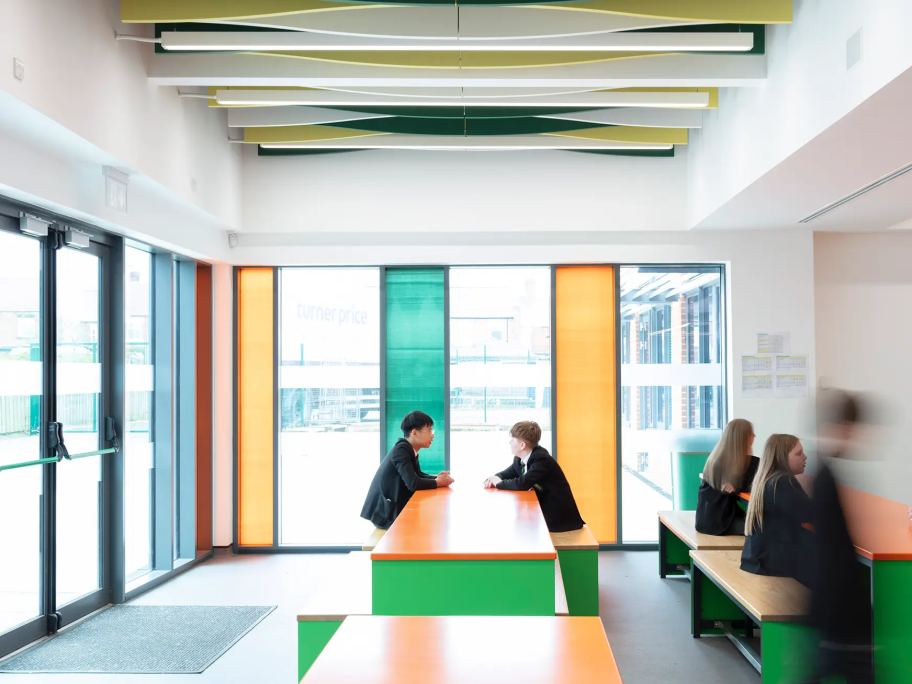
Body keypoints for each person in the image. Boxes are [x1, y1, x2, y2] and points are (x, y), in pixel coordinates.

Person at [809, 389, 873, 683]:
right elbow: (834, 554)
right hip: (840, 609)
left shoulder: (823, 473)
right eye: (852, 429)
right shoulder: (826, 479)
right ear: (842, 427)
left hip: (833, 608)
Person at [483, 420, 584, 533]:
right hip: (543, 514)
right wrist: (492, 478)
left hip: (560, 520)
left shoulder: (541, 459)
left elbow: (522, 484)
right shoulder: (520, 458)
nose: (510, 443)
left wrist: (498, 483)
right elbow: (507, 473)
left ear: (522, 445)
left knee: (522, 530)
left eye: (512, 440)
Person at [360, 411, 454, 530]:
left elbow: (418, 475)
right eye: (429, 430)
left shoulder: (408, 449)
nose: (433, 435)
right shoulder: (402, 450)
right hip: (386, 514)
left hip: (393, 508)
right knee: (432, 525)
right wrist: (438, 482)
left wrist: (437, 477)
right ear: (415, 433)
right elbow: (413, 483)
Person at [740, 434, 813, 586]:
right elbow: (809, 514)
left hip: (757, 559)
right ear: (782, 457)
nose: (805, 457)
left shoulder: (770, 478)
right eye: (798, 453)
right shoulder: (782, 481)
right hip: (770, 564)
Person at [695, 418, 759, 536]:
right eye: (751, 433)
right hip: (719, 522)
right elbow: (755, 485)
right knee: (762, 531)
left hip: (706, 518)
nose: (754, 435)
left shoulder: (716, 458)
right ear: (743, 438)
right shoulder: (745, 462)